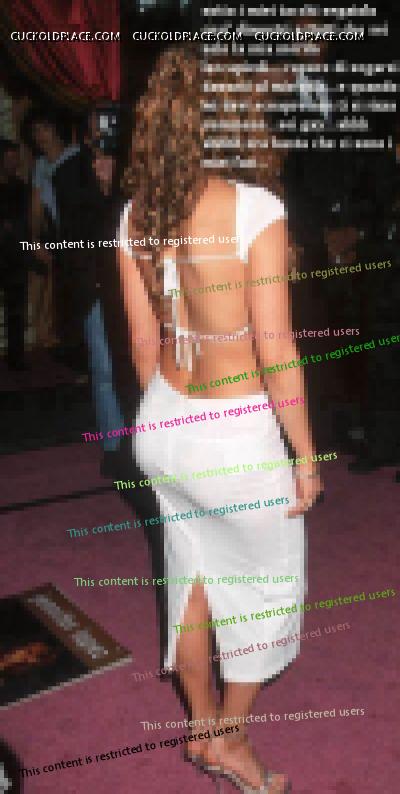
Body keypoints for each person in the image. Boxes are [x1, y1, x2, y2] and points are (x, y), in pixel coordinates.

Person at [118, 46, 322, 792]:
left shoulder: (137, 215)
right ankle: (229, 739)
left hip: (164, 423)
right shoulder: (255, 210)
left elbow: (143, 347)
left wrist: (167, 426)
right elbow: (277, 347)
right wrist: (305, 454)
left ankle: (203, 727)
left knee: (192, 580)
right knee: (268, 589)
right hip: (235, 433)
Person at [21, 108, 79, 349]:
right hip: (57, 234)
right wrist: (35, 240)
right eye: (35, 131)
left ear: (56, 129)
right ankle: (42, 332)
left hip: (80, 233)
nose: (40, 136)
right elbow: (36, 208)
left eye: (44, 128)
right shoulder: (40, 165)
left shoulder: (75, 155)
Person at [0, 139, 31, 370]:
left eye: (15, 158)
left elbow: (27, 221)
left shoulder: (21, 187)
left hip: (15, 256)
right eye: (9, 158)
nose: (13, 162)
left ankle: (16, 357)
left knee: (16, 310)